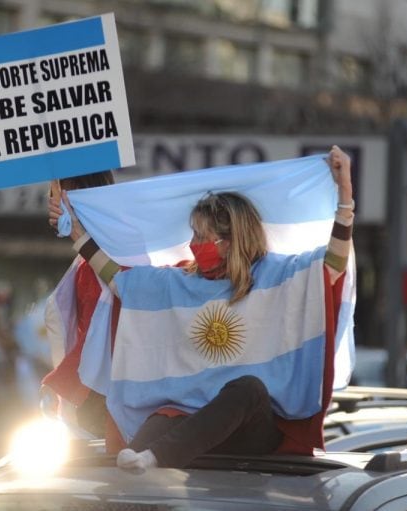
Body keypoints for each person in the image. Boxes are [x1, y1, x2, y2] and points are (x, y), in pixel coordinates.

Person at [49, 146, 354, 469]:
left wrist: (345, 195)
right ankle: (140, 469)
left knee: (247, 389)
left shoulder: (276, 275)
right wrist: (79, 234)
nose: (194, 244)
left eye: (201, 236)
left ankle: (157, 458)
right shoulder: (180, 280)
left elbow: (332, 265)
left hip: (254, 431)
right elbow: (118, 280)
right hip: (187, 416)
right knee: (147, 433)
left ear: (231, 240)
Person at [41, 170, 120, 441]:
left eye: (57, 190)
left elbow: (103, 331)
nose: (50, 199)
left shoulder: (110, 253)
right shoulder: (91, 256)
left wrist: (60, 383)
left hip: (103, 398)